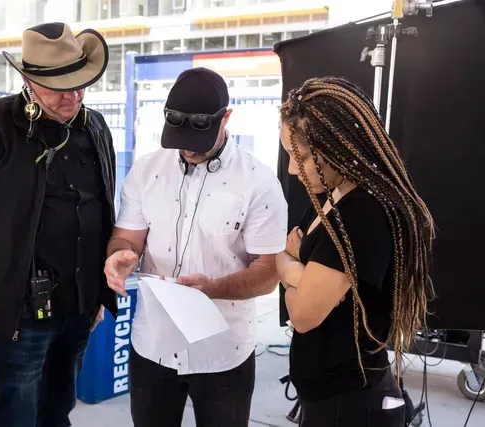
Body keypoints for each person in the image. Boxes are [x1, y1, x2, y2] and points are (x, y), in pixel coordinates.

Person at [0, 23, 118, 427]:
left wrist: (98, 292)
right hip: (21, 312)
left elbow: (104, 210)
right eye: (58, 87)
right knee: (13, 415)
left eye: (79, 84)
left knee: (58, 411)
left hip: (80, 307)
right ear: (28, 80)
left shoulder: (96, 126)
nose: (73, 96)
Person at [103, 67, 288, 427]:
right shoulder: (146, 171)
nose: (188, 148)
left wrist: (212, 289)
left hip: (224, 351)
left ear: (226, 119)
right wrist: (119, 255)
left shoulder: (259, 183)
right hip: (152, 346)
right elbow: (126, 237)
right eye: (179, 137)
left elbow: (268, 273)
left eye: (197, 139)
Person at [276, 76, 435, 427]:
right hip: (327, 399)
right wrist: (299, 272)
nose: (291, 169)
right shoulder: (330, 196)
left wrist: (290, 269)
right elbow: (286, 255)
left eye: (299, 156)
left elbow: (303, 315)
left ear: (338, 148)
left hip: (350, 406)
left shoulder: (361, 212)